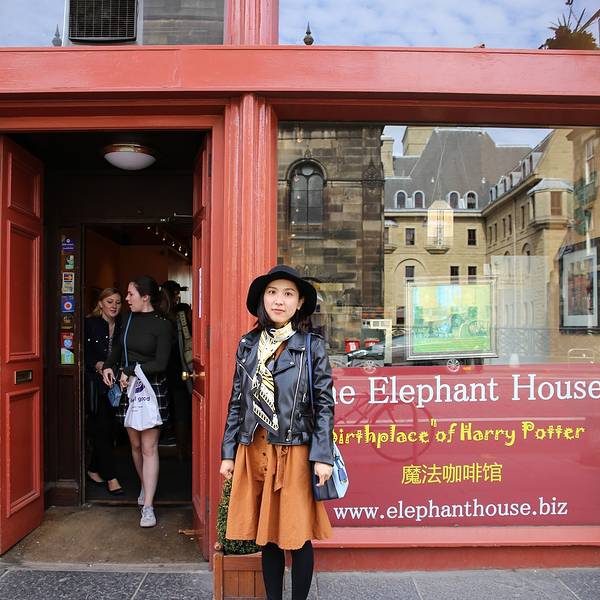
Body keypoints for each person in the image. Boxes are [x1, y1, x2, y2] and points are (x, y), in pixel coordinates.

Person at [220, 265, 334, 600]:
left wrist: (322, 456)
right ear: (263, 300)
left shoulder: (311, 346)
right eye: (272, 293)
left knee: (297, 536)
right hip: (254, 449)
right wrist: (228, 453)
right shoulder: (248, 344)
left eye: (287, 294)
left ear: (299, 303)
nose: (279, 300)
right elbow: (237, 401)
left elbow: (325, 405)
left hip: (294, 451)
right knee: (266, 536)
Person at [103, 275, 172, 528]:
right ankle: (145, 484)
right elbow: (117, 348)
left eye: (131, 294)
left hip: (151, 388)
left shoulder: (163, 325)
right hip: (127, 387)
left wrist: (129, 370)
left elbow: (161, 363)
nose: (126, 299)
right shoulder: (127, 319)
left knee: (148, 447)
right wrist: (109, 366)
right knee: (134, 444)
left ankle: (148, 506)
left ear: (146, 297)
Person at [84, 287, 124, 495]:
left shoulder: (123, 324)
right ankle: (111, 477)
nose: (114, 306)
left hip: (117, 384)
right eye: (110, 302)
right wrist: (98, 364)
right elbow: (82, 353)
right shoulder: (90, 324)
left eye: (118, 302)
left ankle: (93, 468)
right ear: (100, 303)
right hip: (95, 384)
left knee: (110, 429)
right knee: (102, 429)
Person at [161, 280, 193, 460]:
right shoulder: (180, 313)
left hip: (171, 368)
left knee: (178, 409)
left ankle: (181, 449)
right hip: (182, 367)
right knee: (183, 409)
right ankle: (184, 450)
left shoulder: (163, 316)